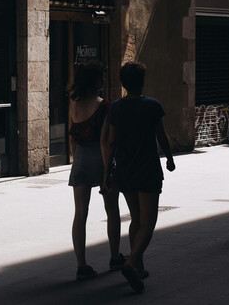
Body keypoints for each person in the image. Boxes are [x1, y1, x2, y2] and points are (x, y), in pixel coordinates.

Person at [103, 62, 175, 293]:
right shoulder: (152, 106)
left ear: (123, 83)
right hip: (147, 168)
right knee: (149, 222)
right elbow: (161, 136)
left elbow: (111, 141)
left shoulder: (116, 107)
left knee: (136, 218)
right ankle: (132, 261)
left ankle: (139, 268)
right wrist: (170, 158)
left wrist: (106, 172)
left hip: (125, 169)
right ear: (142, 81)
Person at [67, 61, 123, 280]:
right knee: (112, 210)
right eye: (101, 77)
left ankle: (82, 265)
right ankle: (115, 256)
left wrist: (75, 159)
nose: (103, 80)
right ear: (94, 80)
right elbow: (104, 141)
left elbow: (72, 134)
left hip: (80, 158)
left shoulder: (73, 102)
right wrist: (107, 170)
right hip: (100, 160)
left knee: (80, 214)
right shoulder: (104, 105)